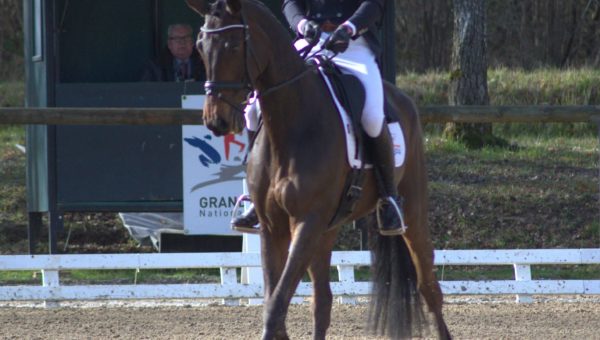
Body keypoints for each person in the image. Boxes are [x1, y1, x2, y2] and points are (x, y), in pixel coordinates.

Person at [232, 0, 407, 236]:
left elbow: (374, 4)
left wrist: (349, 28)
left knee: (373, 117)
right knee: (252, 111)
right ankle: (257, 197)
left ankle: (389, 197)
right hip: (311, 42)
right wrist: (302, 24)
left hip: (354, 45)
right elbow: (290, 3)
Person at [141, 24, 206, 82]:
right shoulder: (155, 66)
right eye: (177, 39)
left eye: (186, 38)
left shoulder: (204, 63)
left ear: (192, 42)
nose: (182, 42)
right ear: (169, 44)